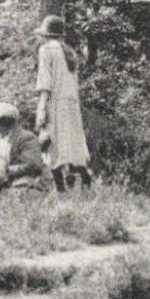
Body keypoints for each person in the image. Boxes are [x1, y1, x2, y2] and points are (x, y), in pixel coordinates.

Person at [34, 16, 92, 190]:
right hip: (72, 103)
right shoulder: (69, 52)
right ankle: (83, 177)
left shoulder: (46, 50)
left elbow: (45, 81)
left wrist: (41, 107)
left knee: (54, 142)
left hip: (56, 100)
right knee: (73, 141)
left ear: (46, 35)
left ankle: (60, 186)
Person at [0, 102, 51, 192]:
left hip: (29, 179)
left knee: (18, 191)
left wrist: (7, 169)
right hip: (8, 179)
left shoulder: (26, 137)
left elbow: (33, 165)